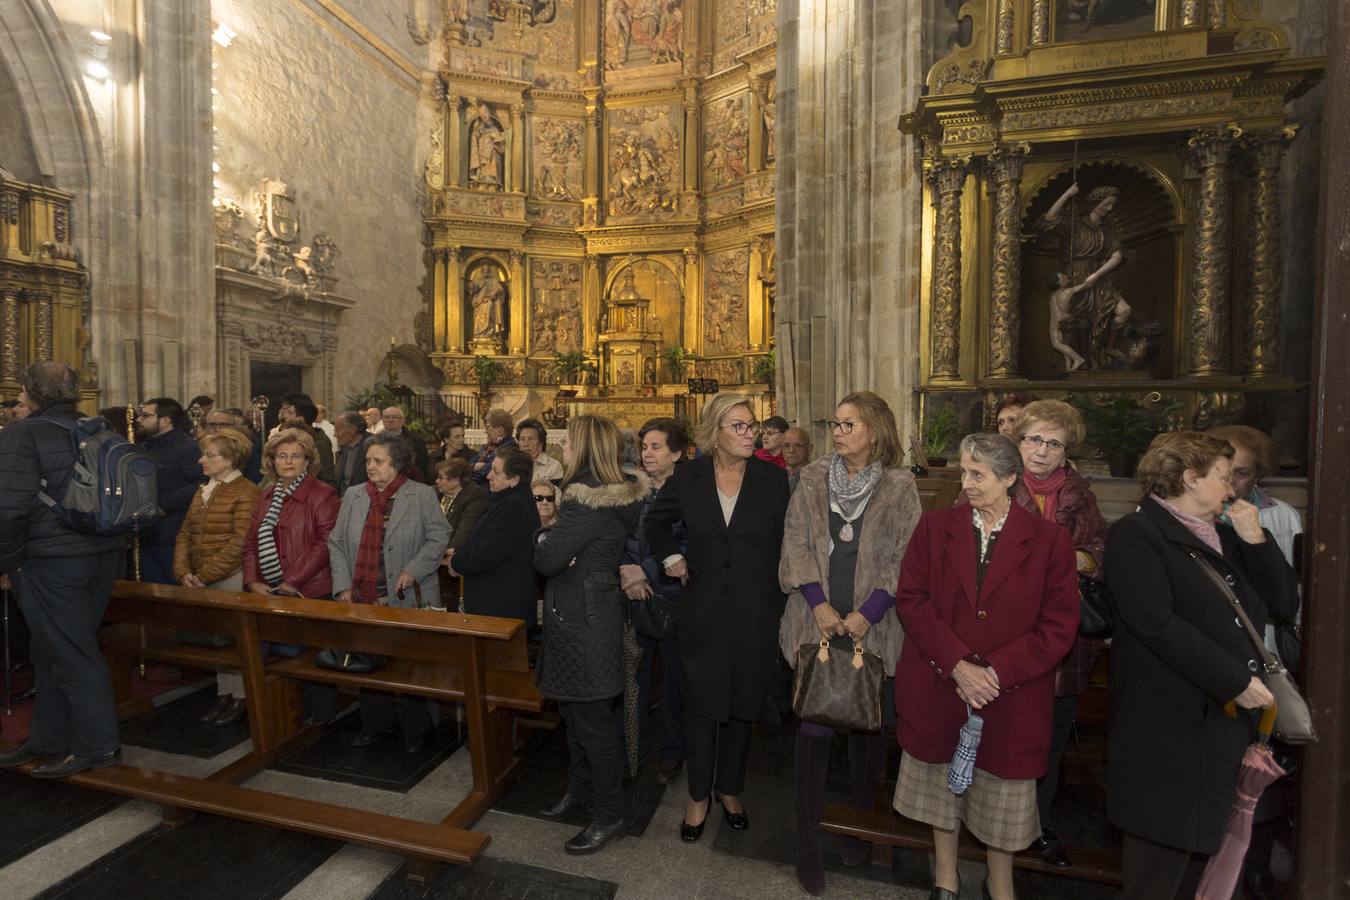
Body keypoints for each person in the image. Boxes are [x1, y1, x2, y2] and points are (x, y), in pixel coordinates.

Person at [1105, 431, 1297, 900]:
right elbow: (1156, 624)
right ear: (1190, 479)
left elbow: (1283, 604)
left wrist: (1257, 542)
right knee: (1156, 875)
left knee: (1201, 872)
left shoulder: (1228, 537)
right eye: (1223, 477)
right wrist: (1235, 680)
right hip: (1167, 731)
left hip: (1222, 730)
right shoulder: (1137, 534)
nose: (1232, 490)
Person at [893, 433, 1079, 900]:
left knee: (1001, 802)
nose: (967, 482)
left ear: (1010, 479)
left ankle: (1000, 886)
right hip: (942, 686)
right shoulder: (936, 527)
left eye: (978, 474)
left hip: (1010, 694)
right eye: (964, 471)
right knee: (941, 793)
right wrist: (957, 664)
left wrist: (995, 673)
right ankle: (946, 878)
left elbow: (1059, 624)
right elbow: (912, 601)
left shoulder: (1050, 541)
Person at [779, 392, 923, 894]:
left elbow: (906, 556)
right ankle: (807, 841)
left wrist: (868, 613)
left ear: (875, 431)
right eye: (835, 423)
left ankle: (860, 826)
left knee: (867, 733)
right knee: (813, 734)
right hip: (815, 626)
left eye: (849, 424)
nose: (838, 432)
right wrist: (820, 605)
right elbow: (795, 541)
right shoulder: (812, 478)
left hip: (873, 629)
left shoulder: (902, 486)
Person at [645, 394, 791, 842]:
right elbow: (656, 523)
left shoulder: (773, 478)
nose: (751, 433)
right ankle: (697, 796)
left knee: (743, 703)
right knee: (702, 703)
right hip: (703, 608)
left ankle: (730, 789)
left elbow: (789, 540)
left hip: (756, 609)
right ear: (716, 433)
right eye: (740, 426)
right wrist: (671, 557)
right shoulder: (689, 477)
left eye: (752, 425)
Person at [0, 363, 126, 777]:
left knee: (72, 652)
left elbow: (10, 509)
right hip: (103, 553)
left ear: (31, 393)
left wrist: (7, 562)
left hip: (51, 561)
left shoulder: (22, 433)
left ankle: (98, 747)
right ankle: (48, 738)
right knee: (51, 649)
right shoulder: (98, 427)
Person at [534, 415, 647, 855]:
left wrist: (543, 535)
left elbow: (547, 559)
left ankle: (608, 815)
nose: (561, 446)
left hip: (584, 622)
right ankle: (580, 791)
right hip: (584, 615)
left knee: (593, 724)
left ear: (583, 446)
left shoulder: (588, 499)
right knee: (575, 715)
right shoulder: (605, 494)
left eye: (567, 440)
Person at [1002, 400, 1108, 869]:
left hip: (1063, 636)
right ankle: (996, 826)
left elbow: (1097, 553)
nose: (1042, 451)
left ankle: (1039, 826)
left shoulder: (1079, 494)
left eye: (1054, 443)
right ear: (1018, 442)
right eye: (1034, 439)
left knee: (1052, 736)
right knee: (1004, 734)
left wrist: (1063, 559)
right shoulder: (993, 482)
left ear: (1067, 451)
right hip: (1004, 633)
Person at [329, 432, 451, 753]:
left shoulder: (421, 495)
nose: (370, 466)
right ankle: (376, 724)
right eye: (368, 460)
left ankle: (417, 729)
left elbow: (439, 537)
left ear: (396, 463)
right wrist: (342, 586)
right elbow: (336, 543)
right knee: (369, 662)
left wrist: (413, 569)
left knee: (410, 665)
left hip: (407, 596)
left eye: (378, 460)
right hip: (363, 596)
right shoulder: (355, 495)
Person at [241, 428, 341, 723]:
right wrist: (252, 580)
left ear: (307, 460)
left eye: (295, 456)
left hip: (310, 588)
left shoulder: (322, 494)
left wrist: (291, 581)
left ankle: (322, 719)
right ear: (271, 461)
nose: (288, 462)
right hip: (269, 588)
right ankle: (284, 716)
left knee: (315, 658)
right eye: (281, 456)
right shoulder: (267, 495)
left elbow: (326, 543)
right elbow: (250, 542)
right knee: (279, 656)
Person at [172, 426, 260, 726]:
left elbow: (240, 541)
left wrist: (205, 574)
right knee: (218, 642)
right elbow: (184, 533)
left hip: (230, 575)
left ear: (230, 459)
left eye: (209, 455)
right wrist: (183, 571)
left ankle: (241, 697)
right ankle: (224, 694)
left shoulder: (247, 491)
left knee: (235, 641)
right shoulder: (204, 489)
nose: (201, 461)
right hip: (201, 576)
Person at [620, 417, 691, 786]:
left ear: (676, 453)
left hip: (674, 599)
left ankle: (673, 752)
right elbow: (621, 534)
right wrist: (625, 570)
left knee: (676, 684)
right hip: (635, 597)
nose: (647, 453)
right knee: (636, 679)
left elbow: (687, 546)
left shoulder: (691, 491)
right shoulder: (634, 488)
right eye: (644, 446)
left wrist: (644, 571)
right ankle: (633, 749)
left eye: (656, 447)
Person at [446, 448, 540, 625]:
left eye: (496, 472)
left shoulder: (513, 507)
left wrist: (456, 561)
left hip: (502, 608)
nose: (488, 476)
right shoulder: (506, 499)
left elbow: (488, 553)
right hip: (496, 604)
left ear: (514, 480)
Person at [137, 396, 207, 584]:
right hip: (145, 533)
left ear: (165, 420)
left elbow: (200, 483)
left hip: (171, 534)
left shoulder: (188, 448)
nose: (139, 420)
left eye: (145, 415)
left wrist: (164, 505)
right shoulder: (143, 447)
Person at [277, 393, 337, 486]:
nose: (284, 416)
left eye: (290, 413)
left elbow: (327, 480)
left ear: (300, 419)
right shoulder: (284, 439)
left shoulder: (319, 443)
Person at [436, 458, 488, 550]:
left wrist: (448, 552)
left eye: (440, 478)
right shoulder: (435, 491)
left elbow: (464, 531)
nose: (436, 481)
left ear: (456, 481)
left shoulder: (474, 495)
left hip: (448, 551)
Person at [381, 406, 430, 483]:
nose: (390, 420)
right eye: (387, 417)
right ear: (383, 421)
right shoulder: (376, 440)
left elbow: (422, 465)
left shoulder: (416, 441)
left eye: (394, 417)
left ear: (402, 421)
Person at [470, 408, 517, 485]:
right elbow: (469, 464)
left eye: (488, 427)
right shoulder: (487, 446)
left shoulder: (510, 447)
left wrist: (473, 470)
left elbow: (488, 472)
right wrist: (474, 466)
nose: (485, 431)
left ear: (500, 430)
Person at [333, 410, 370, 497]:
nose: (335, 434)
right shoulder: (345, 447)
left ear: (353, 429)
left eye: (337, 430)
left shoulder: (373, 445)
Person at [517, 417, 565, 483]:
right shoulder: (511, 464)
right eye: (522, 439)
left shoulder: (554, 467)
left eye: (531, 439)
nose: (526, 444)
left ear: (541, 444)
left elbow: (555, 492)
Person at [781, 426, 813, 491]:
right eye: (786, 446)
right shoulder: (775, 477)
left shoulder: (817, 478)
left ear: (809, 448)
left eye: (798, 446)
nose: (791, 450)